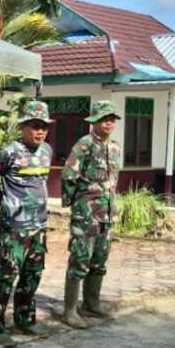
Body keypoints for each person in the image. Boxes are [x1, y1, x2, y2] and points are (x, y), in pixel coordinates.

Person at [0, 100, 54, 346]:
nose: (40, 131)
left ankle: (25, 319)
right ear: (23, 126)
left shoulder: (46, 151)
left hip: (39, 225)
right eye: (35, 126)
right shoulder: (9, 152)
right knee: (6, 275)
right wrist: (4, 201)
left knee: (32, 274)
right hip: (14, 227)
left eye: (44, 126)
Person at [61, 99, 122, 329]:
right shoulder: (85, 144)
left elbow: (113, 179)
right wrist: (75, 202)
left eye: (111, 119)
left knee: (100, 258)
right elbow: (68, 175)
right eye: (103, 119)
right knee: (80, 258)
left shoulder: (115, 147)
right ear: (94, 121)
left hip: (107, 213)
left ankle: (91, 303)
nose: (108, 123)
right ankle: (70, 311)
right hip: (86, 213)